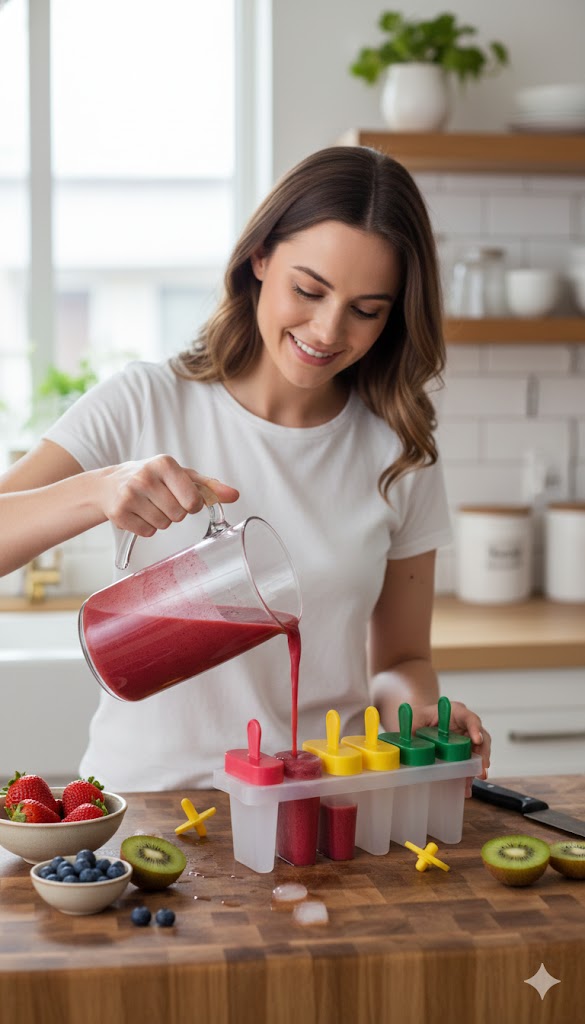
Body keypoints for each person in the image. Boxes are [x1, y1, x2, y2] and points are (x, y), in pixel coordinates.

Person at [0, 145, 490, 791]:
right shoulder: (145, 401)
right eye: (308, 290)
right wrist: (100, 490)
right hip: (151, 805)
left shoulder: (396, 451)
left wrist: (422, 709)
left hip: (313, 802)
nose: (326, 328)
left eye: (366, 309)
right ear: (259, 257)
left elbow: (401, 658)